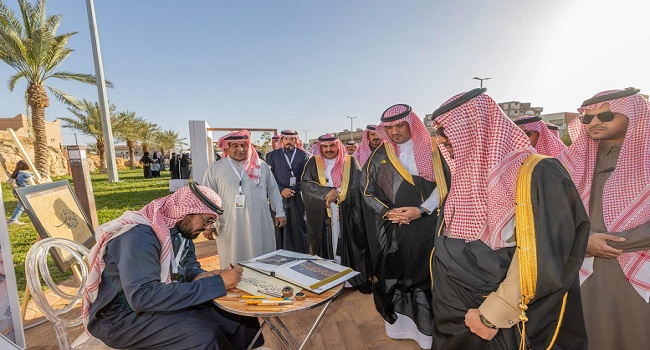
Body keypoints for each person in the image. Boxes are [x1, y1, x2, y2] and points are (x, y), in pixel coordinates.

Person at [429, 88, 589, 350]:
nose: (447, 146)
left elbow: (549, 251)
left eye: (450, 139)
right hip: (452, 306)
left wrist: (494, 313)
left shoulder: (539, 172)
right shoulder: (462, 175)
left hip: (497, 313)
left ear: (473, 132)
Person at [81, 184, 265, 349]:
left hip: (157, 300)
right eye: (207, 220)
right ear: (187, 211)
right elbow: (142, 297)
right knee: (204, 336)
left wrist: (197, 276)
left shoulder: (181, 231)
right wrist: (217, 284)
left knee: (236, 316)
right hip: (121, 317)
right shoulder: (139, 237)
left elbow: (189, 264)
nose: (207, 227)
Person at [558, 87, 650, 350]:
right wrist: (583, 242)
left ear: (632, 115)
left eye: (606, 115)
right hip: (584, 268)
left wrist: (612, 244)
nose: (595, 122)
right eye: (588, 118)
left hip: (639, 263)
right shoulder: (571, 161)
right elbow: (552, 214)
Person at [360, 104, 444, 349]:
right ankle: (399, 328)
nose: (395, 131)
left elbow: (445, 183)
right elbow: (366, 189)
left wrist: (421, 209)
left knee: (423, 275)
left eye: (400, 125)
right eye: (390, 127)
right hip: (394, 226)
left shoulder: (433, 148)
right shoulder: (382, 153)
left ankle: (426, 335)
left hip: (426, 225)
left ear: (411, 123)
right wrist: (388, 212)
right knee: (396, 273)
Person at [202, 130, 287, 266]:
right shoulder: (215, 169)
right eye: (235, 146)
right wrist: (209, 224)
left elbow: (273, 190)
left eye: (243, 145)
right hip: (230, 223)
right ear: (227, 147)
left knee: (262, 257)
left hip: (259, 221)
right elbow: (207, 198)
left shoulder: (261, 166)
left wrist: (280, 213)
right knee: (233, 258)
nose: (240, 149)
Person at [301, 133, 371, 292]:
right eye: (324, 146)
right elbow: (305, 184)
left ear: (338, 145)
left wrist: (338, 194)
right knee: (325, 243)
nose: (328, 149)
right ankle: (327, 279)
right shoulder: (314, 162)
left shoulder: (350, 161)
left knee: (348, 242)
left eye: (332, 145)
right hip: (323, 212)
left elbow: (357, 184)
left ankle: (348, 279)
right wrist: (326, 192)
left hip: (346, 210)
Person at [265, 129, 309, 253]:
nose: (289, 141)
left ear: (296, 140)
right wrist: (281, 190)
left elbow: (306, 177)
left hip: (297, 197)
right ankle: (278, 254)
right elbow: (269, 177)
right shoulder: (272, 155)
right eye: (286, 139)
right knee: (278, 227)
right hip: (277, 196)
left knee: (298, 226)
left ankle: (299, 255)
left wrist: (293, 190)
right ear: (282, 140)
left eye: (291, 139)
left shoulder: (304, 155)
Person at [6, 160, 33, 225]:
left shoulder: (17, 173)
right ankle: (13, 220)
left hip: (20, 192)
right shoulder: (25, 174)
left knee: (22, 206)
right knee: (21, 207)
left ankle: (13, 219)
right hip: (26, 192)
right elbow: (35, 178)